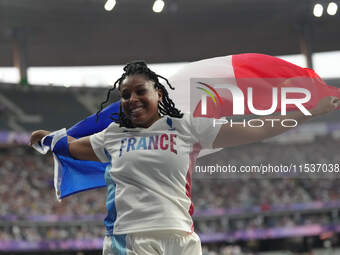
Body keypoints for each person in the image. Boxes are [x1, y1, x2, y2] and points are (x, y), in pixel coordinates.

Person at [30, 61, 340, 255]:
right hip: (130, 240)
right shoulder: (113, 135)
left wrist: (306, 111)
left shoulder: (187, 127)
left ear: (159, 95)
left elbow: (254, 131)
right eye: (125, 95)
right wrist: (44, 138)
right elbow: (69, 145)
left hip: (182, 239)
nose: (132, 99)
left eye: (140, 91)